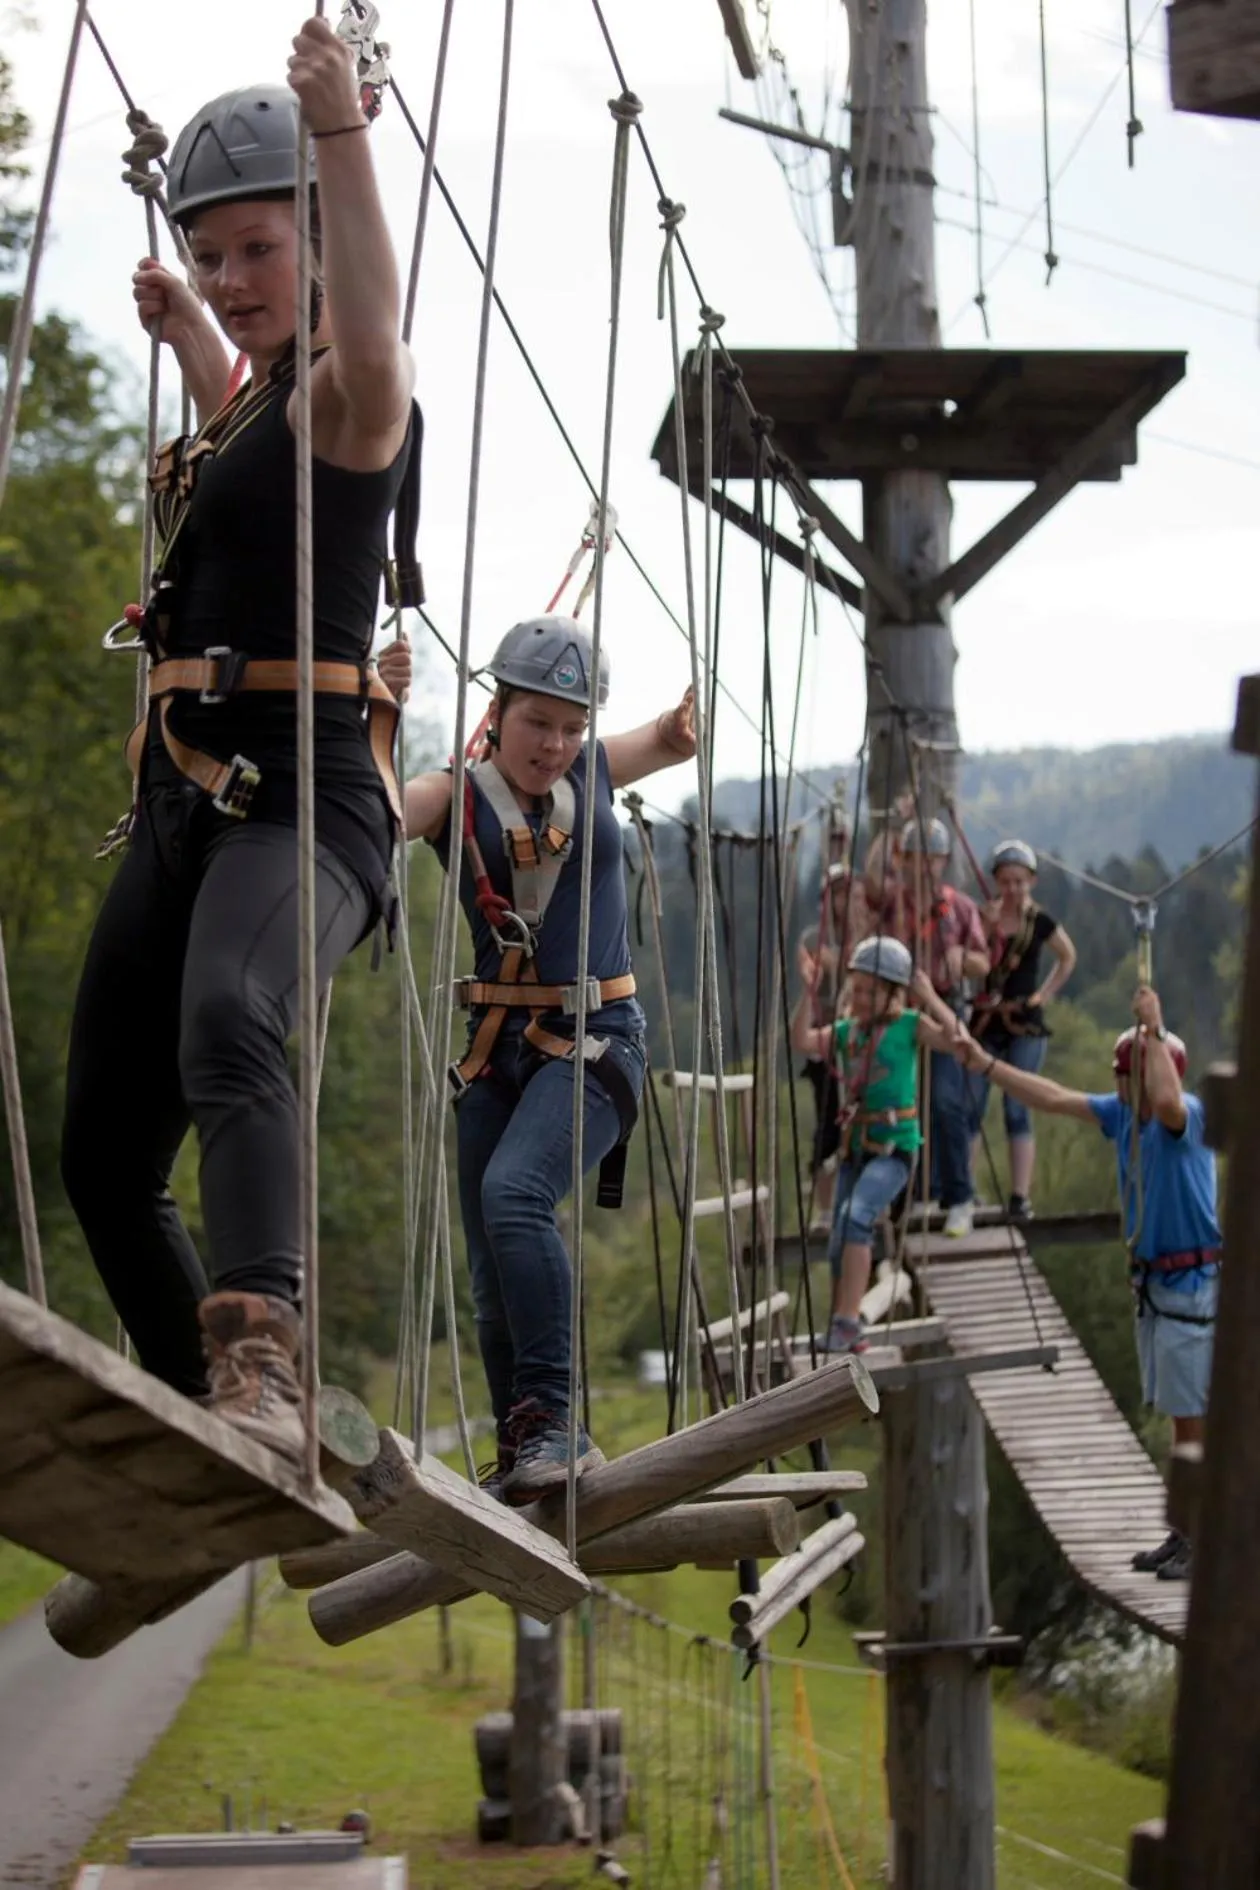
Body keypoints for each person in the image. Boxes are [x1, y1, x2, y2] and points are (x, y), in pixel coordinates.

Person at [59, 22, 418, 1466]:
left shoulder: (354, 395)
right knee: (101, 1154)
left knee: (229, 1017)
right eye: (211, 254)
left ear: (324, 245)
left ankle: (261, 1356)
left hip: (305, 806)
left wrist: (343, 136)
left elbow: (371, 343)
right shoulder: (260, 405)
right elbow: (238, 448)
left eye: (258, 252)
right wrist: (194, 333)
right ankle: (197, 1410)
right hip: (184, 805)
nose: (230, 278)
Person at [403, 618, 695, 1505]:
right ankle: (524, 1439)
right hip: (500, 1051)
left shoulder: (592, 769)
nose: (558, 745)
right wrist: (374, 713)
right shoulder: (451, 794)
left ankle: (559, 1422)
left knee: (513, 1195)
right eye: (539, 724)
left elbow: (666, 739)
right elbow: (374, 806)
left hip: (600, 1038)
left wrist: (681, 733)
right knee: (492, 1262)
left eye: (572, 727)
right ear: (496, 713)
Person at [956, 985, 1219, 1582]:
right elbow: (1051, 1096)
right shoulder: (1125, 1117)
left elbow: (1170, 1101)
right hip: (1161, 1291)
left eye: (1129, 1075)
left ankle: (1199, 1537)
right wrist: (986, 1063)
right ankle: (1184, 1532)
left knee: (1193, 1418)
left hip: (1189, 1288)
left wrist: (1152, 1029)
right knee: (1183, 1419)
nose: (1120, 1087)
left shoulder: (1186, 1118)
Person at [791, 936, 971, 1354]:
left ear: (894, 993)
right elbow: (802, 1041)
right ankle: (839, 1326)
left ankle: (848, 1324)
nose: (864, 998)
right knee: (839, 1238)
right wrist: (809, 992)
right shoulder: (847, 1032)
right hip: (858, 1149)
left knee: (856, 1217)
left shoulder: (910, 1025)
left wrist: (929, 997)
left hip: (895, 1150)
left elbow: (959, 1041)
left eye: (873, 991)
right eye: (858, 990)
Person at [874, 817, 989, 1238]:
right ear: (903, 861)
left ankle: (958, 1196)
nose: (924, 868)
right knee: (904, 1103)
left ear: (942, 861)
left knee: (945, 1101)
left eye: (932, 860)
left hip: (944, 1007)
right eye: (916, 859)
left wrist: (961, 957)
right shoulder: (891, 905)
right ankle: (911, 1192)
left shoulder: (958, 907)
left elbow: (983, 961)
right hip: (902, 1012)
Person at [969, 840, 1077, 1220]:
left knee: (1018, 1106)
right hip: (986, 1020)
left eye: (1019, 882)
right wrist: (984, 926)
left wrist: (1043, 996)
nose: (1013, 889)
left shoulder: (1040, 922)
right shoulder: (985, 919)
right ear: (997, 881)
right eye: (1006, 881)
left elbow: (1067, 956)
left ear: (1030, 881)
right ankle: (967, 1193)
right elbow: (971, 957)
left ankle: (1019, 1197)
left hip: (1023, 1022)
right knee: (973, 1106)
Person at [795, 861, 876, 1233]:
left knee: (867, 1117)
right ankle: (826, 1206)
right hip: (827, 1040)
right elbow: (814, 975)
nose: (844, 902)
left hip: (861, 1041)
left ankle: (866, 1199)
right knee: (828, 1123)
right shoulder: (815, 940)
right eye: (838, 895)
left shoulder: (868, 939)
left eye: (849, 894)